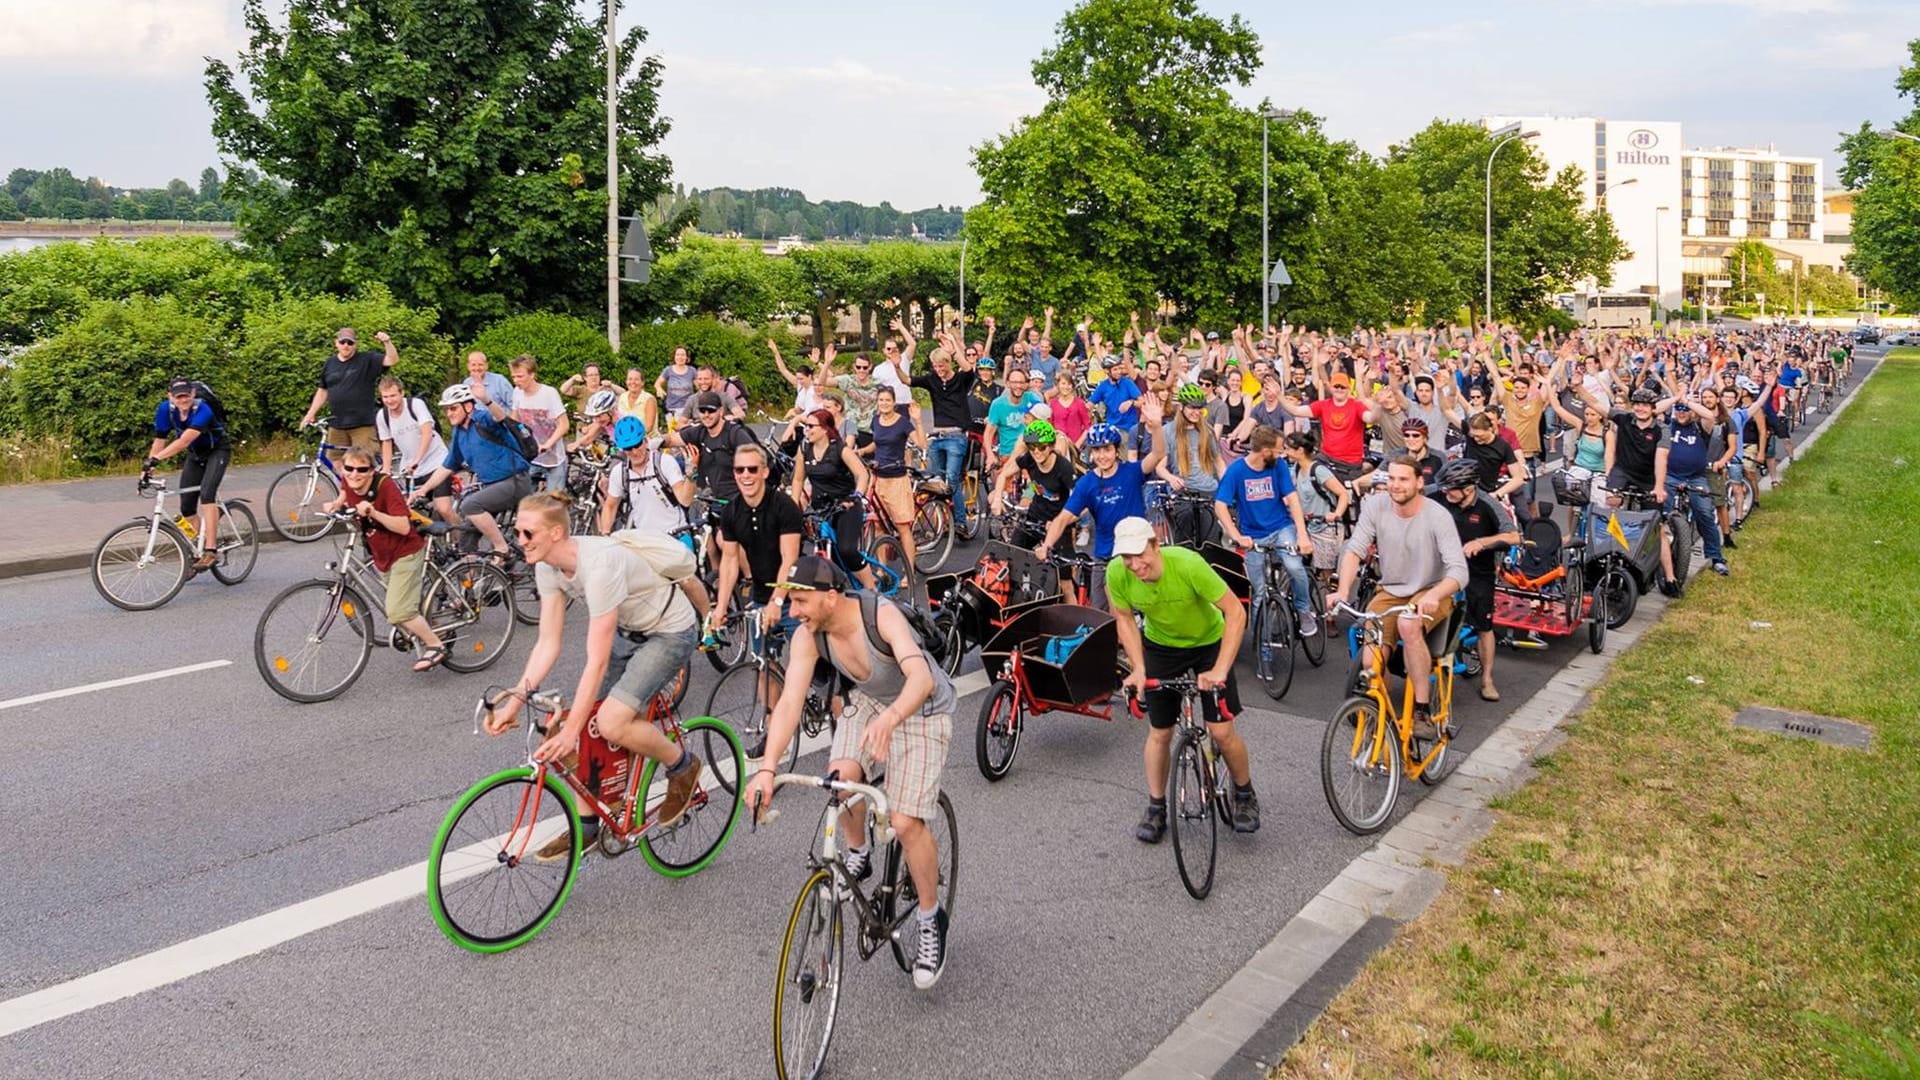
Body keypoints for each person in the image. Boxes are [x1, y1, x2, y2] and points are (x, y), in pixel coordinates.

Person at [745, 555, 957, 990]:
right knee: (839, 782)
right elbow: (787, 703)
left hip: (920, 708)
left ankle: (931, 917)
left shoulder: (879, 615)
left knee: (904, 821)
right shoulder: (809, 635)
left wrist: (891, 718)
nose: (793, 611)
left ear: (830, 595)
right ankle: (859, 854)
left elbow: (921, 679)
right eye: (791, 601)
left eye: (800, 601)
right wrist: (767, 768)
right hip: (870, 702)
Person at [482, 491, 706, 860]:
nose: (518, 541)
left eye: (527, 534)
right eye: (517, 533)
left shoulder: (599, 566)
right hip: (628, 630)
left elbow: (596, 661)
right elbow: (547, 643)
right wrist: (515, 701)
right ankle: (586, 829)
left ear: (556, 533)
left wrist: (573, 732)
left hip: (669, 630)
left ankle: (682, 766)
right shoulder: (546, 566)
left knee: (610, 723)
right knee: (582, 724)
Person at [1110, 518, 1256, 841]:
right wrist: (1138, 668)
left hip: (1208, 642)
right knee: (1160, 732)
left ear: (1155, 545)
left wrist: (1219, 669)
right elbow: (1123, 618)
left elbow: (1236, 613)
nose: (1134, 565)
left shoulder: (1189, 565)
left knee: (1220, 731)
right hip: (1163, 646)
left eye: (1139, 554)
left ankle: (1245, 794)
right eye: (1126, 557)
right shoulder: (1117, 573)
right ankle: (1156, 807)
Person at [1328, 455, 1469, 740]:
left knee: (1408, 624)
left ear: (1419, 482)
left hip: (1431, 589)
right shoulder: (1376, 506)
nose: (1395, 485)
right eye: (1391, 478)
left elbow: (1458, 571)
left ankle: (1421, 710)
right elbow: (1355, 549)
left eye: (1403, 479)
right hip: (1390, 590)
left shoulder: (1437, 516)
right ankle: (1384, 717)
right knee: (1371, 662)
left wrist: (1435, 595)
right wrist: (1343, 590)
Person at [1033, 394, 1169, 608]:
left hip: (1137, 553)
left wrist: (1157, 426)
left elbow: (1158, 453)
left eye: (1107, 449)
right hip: (1105, 556)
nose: (1102, 455)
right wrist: (1047, 545)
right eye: (1096, 450)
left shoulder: (1132, 472)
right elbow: (1063, 518)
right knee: (1100, 614)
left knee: (1144, 609)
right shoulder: (1087, 483)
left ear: (1116, 451)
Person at [322, 447, 447, 671]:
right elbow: (344, 490)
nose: (354, 474)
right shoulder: (349, 481)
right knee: (405, 605)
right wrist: (336, 504)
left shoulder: (385, 486)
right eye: (349, 468)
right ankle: (437, 630)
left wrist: (373, 513)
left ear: (372, 471)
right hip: (381, 553)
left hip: (405, 552)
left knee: (398, 610)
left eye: (362, 469)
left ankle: (435, 645)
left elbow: (403, 525)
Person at [1213, 425, 1315, 636]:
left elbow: (1292, 499)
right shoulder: (1237, 471)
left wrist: (1302, 534)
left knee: (1294, 567)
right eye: (1279, 450)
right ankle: (1263, 640)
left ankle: (1303, 610)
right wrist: (1237, 536)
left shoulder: (1277, 467)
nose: (1283, 454)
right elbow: (1220, 505)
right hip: (1253, 536)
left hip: (1281, 527)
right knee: (1258, 592)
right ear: (1266, 452)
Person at [1434, 458, 1520, 703]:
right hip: (1441, 568)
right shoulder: (1439, 495)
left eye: (1451, 489)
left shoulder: (1487, 504)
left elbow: (1513, 536)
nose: (1445, 492)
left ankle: (1487, 680)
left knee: (1484, 626)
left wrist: (1482, 542)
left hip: (1476, 571)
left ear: (1469, 489)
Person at [412, 383, 531, 557]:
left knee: (470, 505)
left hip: (514, 480)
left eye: (453, 408)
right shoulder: (459, 432)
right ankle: (472, 578)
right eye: (447, 409)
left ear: (468, 406)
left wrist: (486, 400)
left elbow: (500, 417)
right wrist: (423, 489)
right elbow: (447, 466)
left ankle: (502, 548)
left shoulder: (482, 419)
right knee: (467, 534)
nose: (449, 413)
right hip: (491, 486)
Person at [146, 378, 230, 572]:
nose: (183, 400)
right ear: (171, 397)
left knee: (207, 494)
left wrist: (157, 459)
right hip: (195, 455)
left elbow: (184, 441)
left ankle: (211, 550)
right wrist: (148, 468)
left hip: (217, 451)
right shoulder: (165, 410)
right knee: (186, 508)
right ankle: (197, 547)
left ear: (193, 394)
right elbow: (159, 440)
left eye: (186, 395)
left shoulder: (203, 409)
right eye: (178, 396)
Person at [791, 407, 876, 589]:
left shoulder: (839, 448)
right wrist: (793, 505)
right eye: (805, 426)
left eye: (811, 426)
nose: (807, 430)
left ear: (824, 428)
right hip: (820, 506)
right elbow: (798, 479)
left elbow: (862, 475)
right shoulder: (804, 448)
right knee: (808, 546)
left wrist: (857, 497)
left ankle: (872, 590)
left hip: (845, 504)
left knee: (847, 550)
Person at [907, 342, 979, 536]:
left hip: (956, 435)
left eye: (942, 365)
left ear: (948, 363)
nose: (939, 369)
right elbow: (907, 380)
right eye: (936, 366)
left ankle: (961, 523)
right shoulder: (932, 380)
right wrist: (897, 365)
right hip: (937, 436)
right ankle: (941, 518)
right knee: (934, 480)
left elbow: (968, 369)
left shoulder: (960, 379)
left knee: (951, 481)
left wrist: (955, 352)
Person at [300, 328, 399, 453]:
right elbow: (323, 390)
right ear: (336, 343)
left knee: (364, 463)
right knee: (335, 461)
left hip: (362, 424)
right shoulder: (330, 363)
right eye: (342, 342)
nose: (346, 345)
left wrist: (387, 342)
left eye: (350, 343)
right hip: (336, 424)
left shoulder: (367, 359)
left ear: (355, 345)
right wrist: (310, 414)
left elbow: (392, 360)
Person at [374, 375, 454, 527]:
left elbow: (427, 432)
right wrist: (386, 468)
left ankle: (461, 542)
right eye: (385, 397)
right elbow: (386, 442)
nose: (390, 400)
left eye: (393, 396)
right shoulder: (382, 416)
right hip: (412, 470)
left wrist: (418, 459)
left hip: (436, 462)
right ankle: (431, 546)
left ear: (402, 393)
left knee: (444, 508)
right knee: (414, 513)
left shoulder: (415, 405)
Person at [1664, 395, 1730, 577]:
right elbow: (1654, 410)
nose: (1681, 413)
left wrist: (1688, 402)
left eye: (1685, 410)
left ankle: (1716, 557)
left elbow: (1709, 416)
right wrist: (1675, 399)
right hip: (1669, 476)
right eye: (1678, 409)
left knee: (1705, 514)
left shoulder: (1700, 427)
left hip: (1695, 478)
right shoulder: (1668, 426)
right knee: (1661, 514)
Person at [991, 420, 1080, 547]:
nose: (1036, 451)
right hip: (1035, 517)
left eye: (1042, 447)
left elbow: (1081, 502)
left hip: (1058, 522)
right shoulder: (1029, 458)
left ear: (1051, 447)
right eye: (1032, 447)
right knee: (1013, 553)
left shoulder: (1063, 468)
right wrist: (997, 499)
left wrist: (1061, 521)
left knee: (1062, 564)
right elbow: (1004, 475)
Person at [866, 385, 926, 574]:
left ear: (894, 402)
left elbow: (921, 444)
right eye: (881, 400)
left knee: (902, 527)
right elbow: (876, 444)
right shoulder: (875, 420)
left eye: (887, 400)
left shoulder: (902, 423)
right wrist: (859, 451)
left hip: (897, 480)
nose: (884, 403)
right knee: (879, 525)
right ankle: (882, 569)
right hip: (878, 479)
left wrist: (918, 421)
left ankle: (909, 572)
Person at [599, 417, 695, 535]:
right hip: (644, 540)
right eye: (628, 448)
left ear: (645, 441)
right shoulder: (619, 472)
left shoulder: (664, 462)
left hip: (675, 533)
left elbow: (685, 500)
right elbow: (610, 506)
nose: (634, 452)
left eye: (637, 445)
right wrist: (605, 534)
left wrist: (691, 473)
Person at [1158, 383, 1226, 545]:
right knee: (1184, 539)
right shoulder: (1168, 431)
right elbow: (1160, 467)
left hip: (1208, 490)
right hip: (1184, 492)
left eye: (1199, 408)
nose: (1196, 412)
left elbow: (1218, 462)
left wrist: (1227, 485)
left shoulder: (1206, 430)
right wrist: (1171, 478)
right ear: (1181, 407)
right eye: (1192, 408)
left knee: (1212, 541)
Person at [666, 390, 765, 502]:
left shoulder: (735, 434)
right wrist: (646, 442)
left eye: (711, 410)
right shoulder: (699, 432)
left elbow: (757, 463)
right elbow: (671, 440)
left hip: (739, 501)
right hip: (712, 499)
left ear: (721, 411)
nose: (706, 415)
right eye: (702, 411)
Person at [1281, 371, 1372, 482]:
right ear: (1331, 388)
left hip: (1350, 465)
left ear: (1348, 389)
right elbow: (1295, 410)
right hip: (1326, 459)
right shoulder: (1323, 405)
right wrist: (1278, 395)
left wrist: (1379, 406)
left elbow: (1371, 418)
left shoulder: (1357, 405)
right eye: (1336, 386)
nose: (1339, 389)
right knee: (1302, 468)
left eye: (1343, 387)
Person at [1282, 430, 1348, 583]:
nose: (1286, 453)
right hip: (1307, 525)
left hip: (1325, 526)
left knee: (1327, 572)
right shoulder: (1297, 469)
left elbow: (1343, 494)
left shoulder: (1318, 471)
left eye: (1288, 449)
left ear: (1300, 451)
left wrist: (1336, 513)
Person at [509, 355, 571, 494]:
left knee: (553, 504)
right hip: (530, 456)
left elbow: (564, 424)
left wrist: (548, 444)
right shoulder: (517, 393)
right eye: (513, 377)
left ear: (532, 375)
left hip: (552, 458)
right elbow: (515, 420)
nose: (516, 381)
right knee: (525, 502)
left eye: (520, 376)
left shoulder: (549, 393)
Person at [1459, 412, 1529, 506]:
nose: (1476, 439)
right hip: (1463, 492)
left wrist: (1497, 494)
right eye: (1473, 436)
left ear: (1490, 429)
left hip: (1485, 495)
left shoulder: (1503, 446)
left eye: (1480, 436)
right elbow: (1447, 410)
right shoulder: (1470, 434)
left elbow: (1518, 478)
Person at [983, 367, 1043, 475]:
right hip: (1007, 454)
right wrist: (990, 455)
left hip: (1031, 453)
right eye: (1014, 382)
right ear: (1007, 383)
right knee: (1001, 487)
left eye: (1021, 382)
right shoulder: (998, 404)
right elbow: (988, 433)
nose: (1018, 386)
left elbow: (1043, 423)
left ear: (1026, 384)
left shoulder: (1032, 399)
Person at [654, 346, 697, 416]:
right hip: (671, 409)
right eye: (678, 355)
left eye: (683, 355)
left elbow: (700, 387)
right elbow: (657, 384)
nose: (680, 357)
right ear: (674, 357)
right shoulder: (668, 370)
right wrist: (659, 389)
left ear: (687, 357)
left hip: (688, 409)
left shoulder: (692, 371)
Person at [617, 366, 659, 432]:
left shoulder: (649, 399)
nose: (633, 382)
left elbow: (649, 428)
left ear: (642, 382)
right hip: (625, 438)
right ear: (626, 381)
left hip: (647, 438)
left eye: (636, 379)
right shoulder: (622, 397)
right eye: (630, 379)